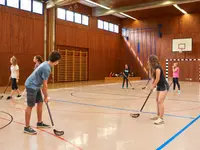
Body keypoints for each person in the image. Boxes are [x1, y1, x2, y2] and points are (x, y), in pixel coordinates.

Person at [24, 51, 61, 135]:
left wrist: (44, 97)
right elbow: (45, 85)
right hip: (31, 85)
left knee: (40, 102)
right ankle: (26, 127)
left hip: (36, 86)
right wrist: (46, 96)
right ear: (56, 61)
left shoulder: (46, 63)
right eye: (58, 61)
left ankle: (39, 122)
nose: (58, 62)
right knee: (30, 106)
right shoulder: (46, 68)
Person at [148, 55, 169, 125]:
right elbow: (153, 78)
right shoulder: (153, 68)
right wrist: (152, 86)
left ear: (152, 61)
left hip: (164, 85)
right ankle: (158, 115)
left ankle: (161, 118)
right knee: (157, 100)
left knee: (160, 101)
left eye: (149, 60)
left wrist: (153, 85)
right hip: (159, 86)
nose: (148, 62)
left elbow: (158, 79)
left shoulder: (158, 67)